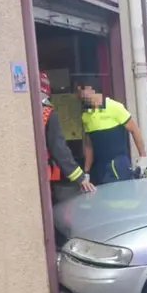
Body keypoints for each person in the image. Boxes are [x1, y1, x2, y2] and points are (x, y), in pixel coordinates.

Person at [75, 76, 147, 185]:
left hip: (118, 167)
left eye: (80, 90)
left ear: (90, 89)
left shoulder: (114, 107)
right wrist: (86, 172)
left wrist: (143, 157)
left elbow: (135, 130)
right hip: (99, 169)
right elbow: (89, 145)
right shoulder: (86, 115)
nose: (78, 95)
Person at [40, 72, 95, 202]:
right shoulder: (48, 113)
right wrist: (80, 178)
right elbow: (59, 150)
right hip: (43, 175)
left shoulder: (25, 110)